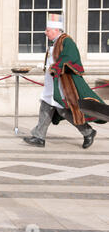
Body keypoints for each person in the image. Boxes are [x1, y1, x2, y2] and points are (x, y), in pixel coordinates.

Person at [23, 14, 106, 149]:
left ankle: (88, 132)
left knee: (64, 111)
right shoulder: (56, 42)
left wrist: (55, 67)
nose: (45, 33)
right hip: (52, 84)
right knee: (46, 107)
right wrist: (45, 66)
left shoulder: (67, 41)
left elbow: (69, 58)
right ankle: (39, 137)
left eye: (48, 30)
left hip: (63, 85)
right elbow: (55, 60)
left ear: (56, 30)